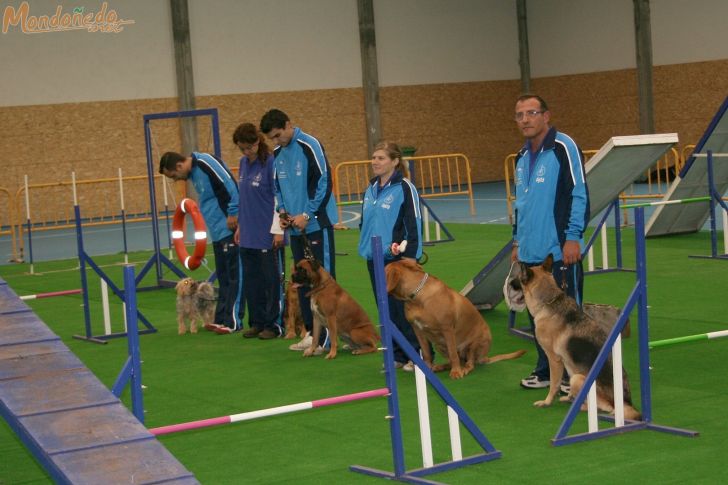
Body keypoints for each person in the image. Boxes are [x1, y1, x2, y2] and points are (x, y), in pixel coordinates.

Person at [510, 94, 590, 390]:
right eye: (519, 115)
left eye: (531, 113)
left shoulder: (562, 148)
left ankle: (576, 374)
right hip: (530, 254)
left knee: (568, 315)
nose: (525, 119)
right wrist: (517, 242)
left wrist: (573, 237)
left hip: (558, 252)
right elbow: (521, 204)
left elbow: (578, 193)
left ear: (546, 115)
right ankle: (546, 371)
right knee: (539, 318)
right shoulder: (520, 158)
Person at [259, 109, 338, 353]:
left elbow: (325, 182)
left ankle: (327, 338)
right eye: (272, 138)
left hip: (316, 224)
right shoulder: (278, 154)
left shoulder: (309, 145)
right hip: (294, 229)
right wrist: (283, 214)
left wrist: (308, 214)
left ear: (288, 124)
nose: (276, 140)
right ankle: (310, 335)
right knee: (302, 280)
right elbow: (278, 189)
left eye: (278, 135)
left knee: (323, 280)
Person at [159, 151, 242, 334]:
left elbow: (230, 186)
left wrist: (234, 213)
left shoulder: (206, 163)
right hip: (217, 232)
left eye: (174, 176)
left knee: (235, 276)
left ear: (179, 166)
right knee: (224, 277)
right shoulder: (195, 175)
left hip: (229, 227)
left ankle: (234, 321)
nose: (176, 180)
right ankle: (221, 318)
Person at [358, 141, 423, 370]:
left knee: (402, 308)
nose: (375, 162)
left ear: (395, 161)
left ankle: (417, 353)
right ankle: (396, 354)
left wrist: (412, 254)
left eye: (381, 158)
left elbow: (413, 222)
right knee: (383, 307)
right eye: (374, 157)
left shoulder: (405, 188)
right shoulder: (371, 187)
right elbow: (366, 220)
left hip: (396, 258)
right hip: (372, 256)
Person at [232, 123, 284, 340]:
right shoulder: (243, 164)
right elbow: (244, 198)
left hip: (267, 233)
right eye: (242, 148)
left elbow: (278, 197)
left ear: (258, 141)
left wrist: (278, 230)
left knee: (270, 281)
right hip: (248, 233)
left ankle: (274, 324)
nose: (246, 152)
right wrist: (240, 226)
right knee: (252, 280)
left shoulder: (271, 163)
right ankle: (257, 322)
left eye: (249, 147)